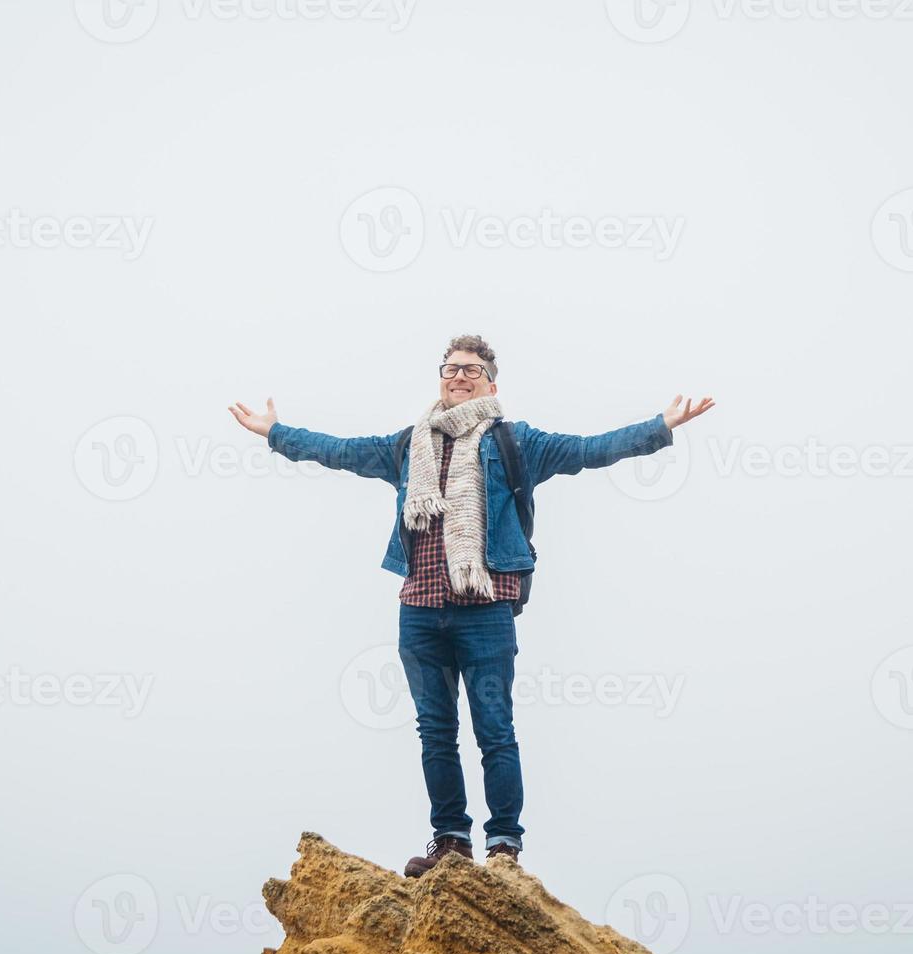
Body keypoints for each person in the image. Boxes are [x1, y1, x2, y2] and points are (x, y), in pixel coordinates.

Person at [228, 335, 714, 877]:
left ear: (491, 383)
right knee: (435, 731)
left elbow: (587, 450)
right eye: (451, 368)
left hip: (484, 610)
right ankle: (451, 840)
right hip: (419, 610)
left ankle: (504, 845)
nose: (460, 376)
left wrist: (660, 427)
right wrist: (275, 433)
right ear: (441, 377)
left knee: (494, 729)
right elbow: (341, 451)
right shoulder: (407, 445)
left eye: (472, 370)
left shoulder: (515, 442)